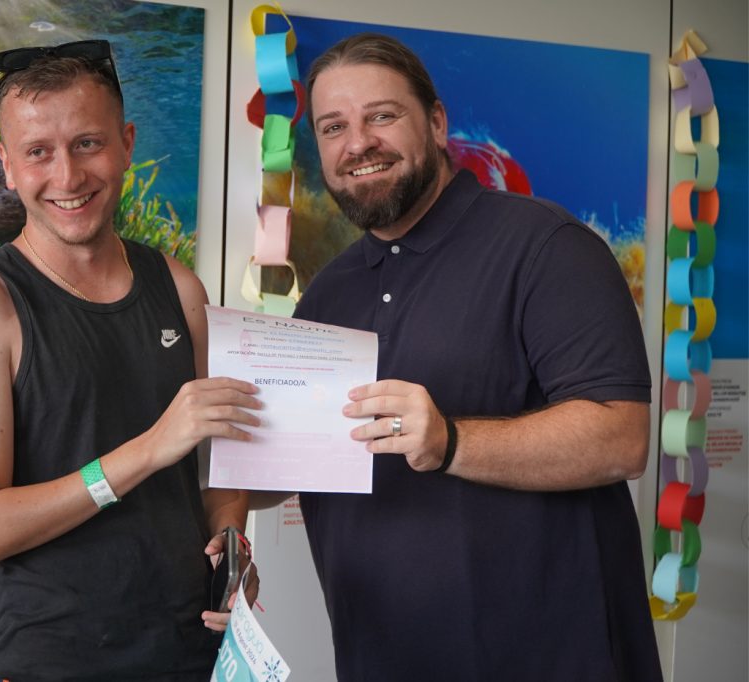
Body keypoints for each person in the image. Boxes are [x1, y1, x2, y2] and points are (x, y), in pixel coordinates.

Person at [276, 32, 662, 680]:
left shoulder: (548, 246)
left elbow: (621, 437)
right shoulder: (327, 292)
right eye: (333, 127)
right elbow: (300, 458)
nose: (357, 144)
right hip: (381, 657)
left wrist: (450, 442)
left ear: (436, 122)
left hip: (547, 659)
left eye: (381, 116)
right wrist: (226, 491)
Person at [0, 40, 261, 681]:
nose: (68, 176)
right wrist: (148, 450)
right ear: (7, 166)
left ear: (126, 144)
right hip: (54, 663)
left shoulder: (178, 286)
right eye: (38, 152)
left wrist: (231, 539)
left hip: (192, 656)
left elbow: (219, 466)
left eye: (87, 143)